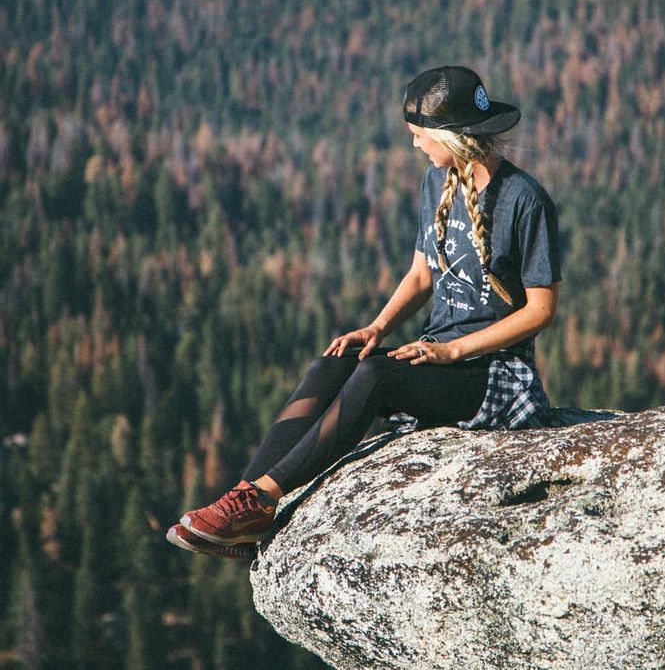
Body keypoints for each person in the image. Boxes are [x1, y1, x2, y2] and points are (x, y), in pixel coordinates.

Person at [167, 65, 561, 557]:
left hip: (491, 374)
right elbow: (421, 276)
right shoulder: (437, 183)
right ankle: (245, 503)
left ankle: (265, 497)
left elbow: (541, 310)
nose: (416, 146)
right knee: (332, 364)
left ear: (452, 137)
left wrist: (453, 349)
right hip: (438, 358)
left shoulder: (525, 200)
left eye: (420, 136)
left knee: (377, 377)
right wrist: (377, 327)